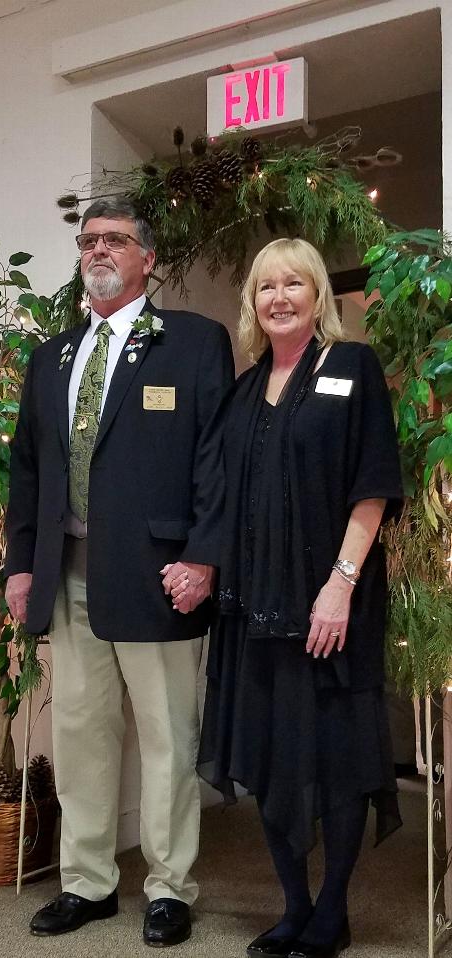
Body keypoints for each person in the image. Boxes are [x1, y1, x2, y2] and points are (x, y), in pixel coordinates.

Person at [4, 196, 234, 947]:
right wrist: (19, 565)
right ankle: (89, 883)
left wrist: (202, 555)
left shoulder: (195, 344)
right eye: (88, 240)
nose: (98, 250)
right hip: (66, 571)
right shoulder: (52, 358)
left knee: (168, 734)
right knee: (79, 733)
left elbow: (215, 463)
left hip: (160, 574)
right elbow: (27, 471)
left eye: (115, 240)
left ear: (147, 258)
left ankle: (170, 888)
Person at [197, 237, 403, 958]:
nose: (279, 297)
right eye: (265, 286)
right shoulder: (245, 389)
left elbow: (373, 484)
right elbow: (224, 498)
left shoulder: (352, 366)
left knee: (336, 761)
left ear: (318, 296)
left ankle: (333, 911)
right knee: (270, 759)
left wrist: (339, 587)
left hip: (329, 607)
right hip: (255, 612)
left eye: (294, 283)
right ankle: (292, 906)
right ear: (252, 303)